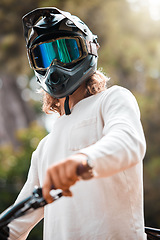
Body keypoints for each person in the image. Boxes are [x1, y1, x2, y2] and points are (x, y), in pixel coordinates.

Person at [2, 7, 147, 240]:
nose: (55, 65)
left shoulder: (112, 99)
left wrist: (83, 161)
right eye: (46, 57)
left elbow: (128, 142)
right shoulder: (44, 148)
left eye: (66, 51)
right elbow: (15, 226)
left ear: (87, 49)